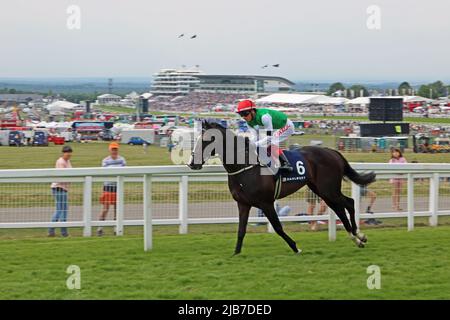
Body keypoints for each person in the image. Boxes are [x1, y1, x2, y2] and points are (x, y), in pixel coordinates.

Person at [236, 99, 294, 171]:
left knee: (271, 142)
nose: (243, 117)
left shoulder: (264, 117)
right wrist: (250, 144)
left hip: (286, 125)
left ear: (252, 111)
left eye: (245, 114)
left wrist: (255, 144)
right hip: (276, 128)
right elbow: (255, 137)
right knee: (262, 143)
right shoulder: (249, 122)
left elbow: (269, 137)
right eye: (241, 114)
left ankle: (286, 163)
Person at [97, 142, 127, 236]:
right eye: (113, 149)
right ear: (110, 150)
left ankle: (116, 228)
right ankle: (100, 227)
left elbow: (124, 171)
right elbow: (104, 172)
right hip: (108, 187)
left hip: (118, 187)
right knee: (105, 208)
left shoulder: (122, 160)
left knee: (117, 209)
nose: (114, 151)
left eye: (116, 149)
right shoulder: (105, 160)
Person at [48, 145, 73, 237]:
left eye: (70, 152)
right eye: (67, 152)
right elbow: (62, 176)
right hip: (59, 187)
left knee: (60, 210)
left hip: (63, 188)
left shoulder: (68, 161)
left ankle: (52, 230)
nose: (69, 154)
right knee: (62, 210)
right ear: (63, 153)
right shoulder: (61, 162)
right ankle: (63, 232)